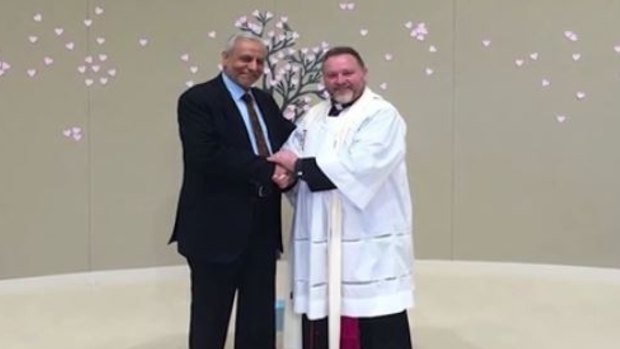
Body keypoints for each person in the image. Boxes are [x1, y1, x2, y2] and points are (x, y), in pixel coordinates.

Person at [269, 46, 415, 349]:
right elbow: (291, 155)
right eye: (332, 75)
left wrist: (297, 166)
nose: (340, 80)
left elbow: (361, 166)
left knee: (371, 322)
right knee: (320, 318)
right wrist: (286, 177)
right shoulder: (314, 116)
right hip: (319, 243)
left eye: (347, 72)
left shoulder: (381, 115)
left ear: (364, 73)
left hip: (366, 244)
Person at [169, 32, 295, 349]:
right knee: (210, 322)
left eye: (259, 61)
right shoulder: (198, 100)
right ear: (225, 59)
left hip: (262, 230)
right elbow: (208, 155)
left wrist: (305, 164)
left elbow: (289, 141)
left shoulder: (265, 102)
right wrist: (272, 170)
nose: (252, 66)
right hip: (214, 232)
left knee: (259, 321)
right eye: (244, 58)